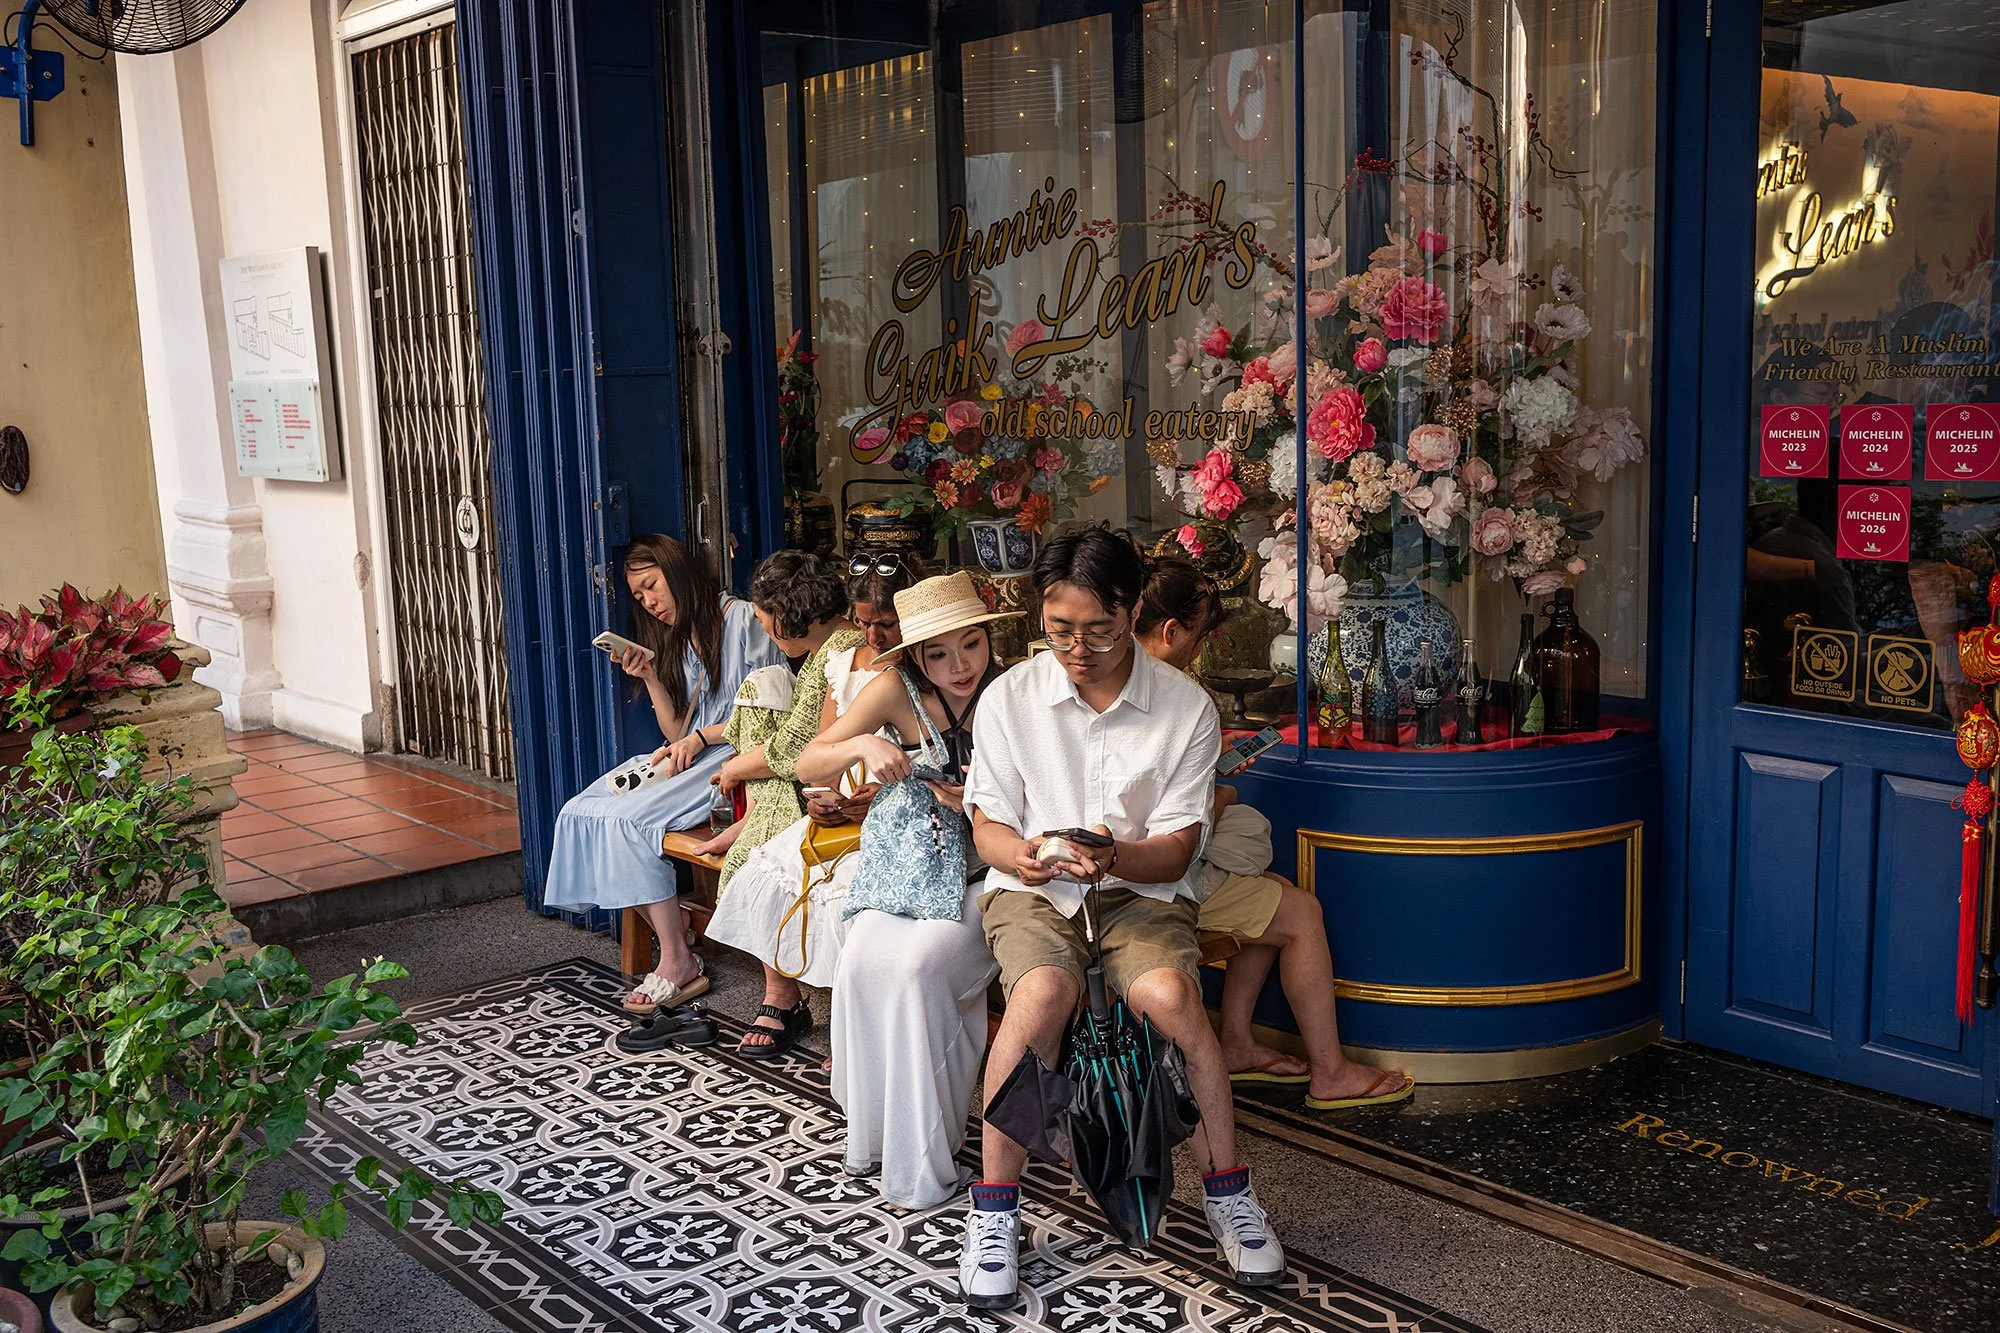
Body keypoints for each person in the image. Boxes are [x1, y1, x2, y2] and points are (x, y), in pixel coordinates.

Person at [957, 529, 1285, 1310]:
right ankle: (994, 1212)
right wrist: (1030, 852)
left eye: (1098, 630)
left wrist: (1114, 857)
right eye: (1059, 628)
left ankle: (1228, 1191)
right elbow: (987, 827)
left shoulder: (1185, 708)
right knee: (1038, 995)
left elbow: (1174, 852)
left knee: (1171, 998)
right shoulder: (1010, 697)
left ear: (1132, 609)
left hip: (1139, 890)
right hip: (1033, 889)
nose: (1076, 647)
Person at [1135, 556, 1414, 1111]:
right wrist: (1222, 790)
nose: (1200, 651)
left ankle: (1237, 1042)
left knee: (1271, 886)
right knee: (1301, 913)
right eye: (1198, 637)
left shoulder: (1112, 679)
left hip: (1117, 872)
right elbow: (1183, 820)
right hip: (1152, 883)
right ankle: (1331, 1072)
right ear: (1170, 631)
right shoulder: (1176, 700)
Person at [798, 571, 1012, 1210]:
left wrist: (974, 799)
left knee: (919, 972)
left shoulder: (1012, 691)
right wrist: (862, 741)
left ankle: (928, 1152)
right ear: (915, 654)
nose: (958, 665)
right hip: (902, 866)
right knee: (861, 962)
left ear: (987, 640)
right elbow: (808, 761)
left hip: (985, 870)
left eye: (970, 646)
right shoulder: (893, 691)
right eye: (938, 653)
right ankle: (876, 1140)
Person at [540, 534, 784, 1015]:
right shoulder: (680, 637)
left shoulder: (739, 620)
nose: (649, 603)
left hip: (735, 759)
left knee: (629, 822)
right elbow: (678, 730)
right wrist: (650, 676)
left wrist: (701, 740)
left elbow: (773, 708)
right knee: (582, 810)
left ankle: (677, 958)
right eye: (638, 597)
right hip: (691, 755)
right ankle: (676, 923)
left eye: (652, 586)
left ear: (677, 573)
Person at [702, 554, 922, 1049]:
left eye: (883, 624)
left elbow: (797, 745)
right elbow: (818, 747)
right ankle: (788, 999)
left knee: (837, 888)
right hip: (845, 793)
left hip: (897, 799)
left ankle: (837, 1015)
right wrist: (824, 794)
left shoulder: (869, 658)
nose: (872, 634)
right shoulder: (844, 656)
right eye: (866, 622)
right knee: (773, 868)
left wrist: (735, 767)